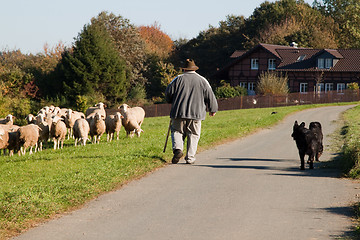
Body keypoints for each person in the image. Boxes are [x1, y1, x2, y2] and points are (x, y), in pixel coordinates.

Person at [165, 59, 218, 164]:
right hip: (196, 113)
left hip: (178, 112)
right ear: (195, 69)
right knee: (193, 134)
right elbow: (210, 95)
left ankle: (178, 149)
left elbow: (168, 93)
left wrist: (171, 100)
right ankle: (190, 158)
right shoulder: (203, 80)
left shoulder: (177, 79)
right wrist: (213, 109)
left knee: (177, 131)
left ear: (184, 69)